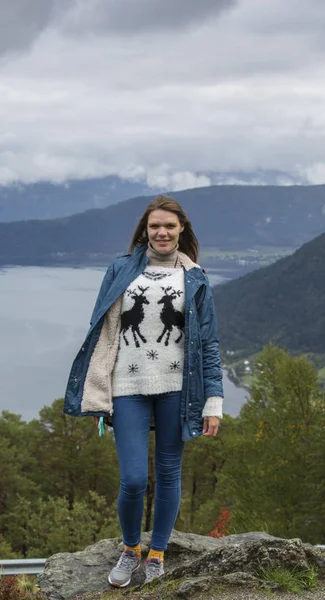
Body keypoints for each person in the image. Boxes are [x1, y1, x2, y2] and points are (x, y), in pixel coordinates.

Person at [64, 195, 224, 587]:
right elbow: (103, 331)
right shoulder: (121, 270)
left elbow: (209, 342)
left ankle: (157, 554)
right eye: (155, 226)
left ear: (181, 229)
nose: (162, 232)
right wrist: (99, 391)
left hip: (178, 390)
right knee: (134, 479)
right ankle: (130, 548)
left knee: (169, 474)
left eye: (169, 226)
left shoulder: (195, 277)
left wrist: (213, 400)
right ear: (145, 230)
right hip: (127, 387)